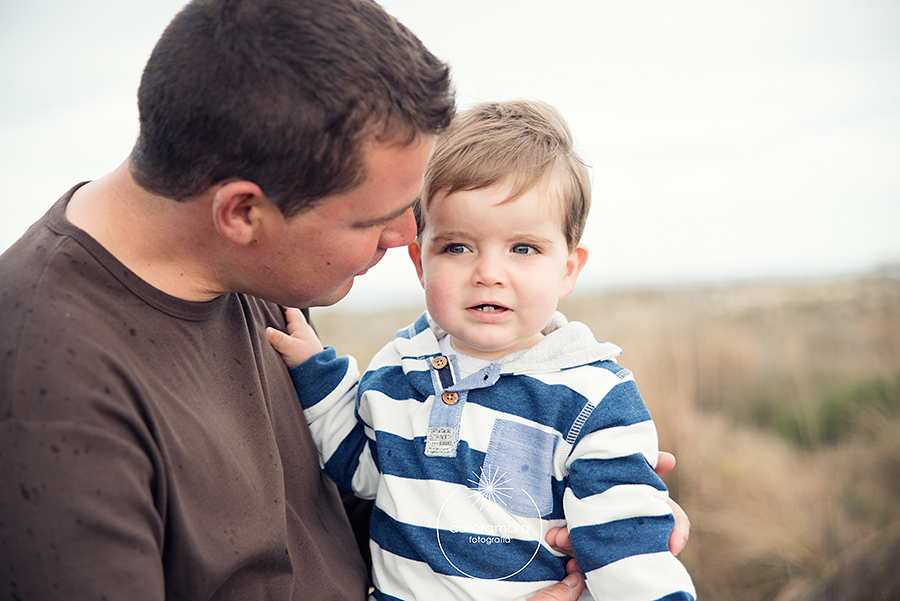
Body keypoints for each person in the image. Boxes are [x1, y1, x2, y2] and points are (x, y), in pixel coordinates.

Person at [0, 1, 687, 599]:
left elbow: (347, 509)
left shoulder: (257, 281)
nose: (405, 239)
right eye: (375, 218)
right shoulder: (46, 393)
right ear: (243, 213)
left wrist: (547, 515)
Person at [267, 100, 696, 600]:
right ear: (420, 263)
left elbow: (628, 548)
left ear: (567, 270)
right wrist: (317, 373)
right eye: (457, 247)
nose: (488, 273)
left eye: (523, 249)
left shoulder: (591, 397)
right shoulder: (399, 369)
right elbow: (363, 471)